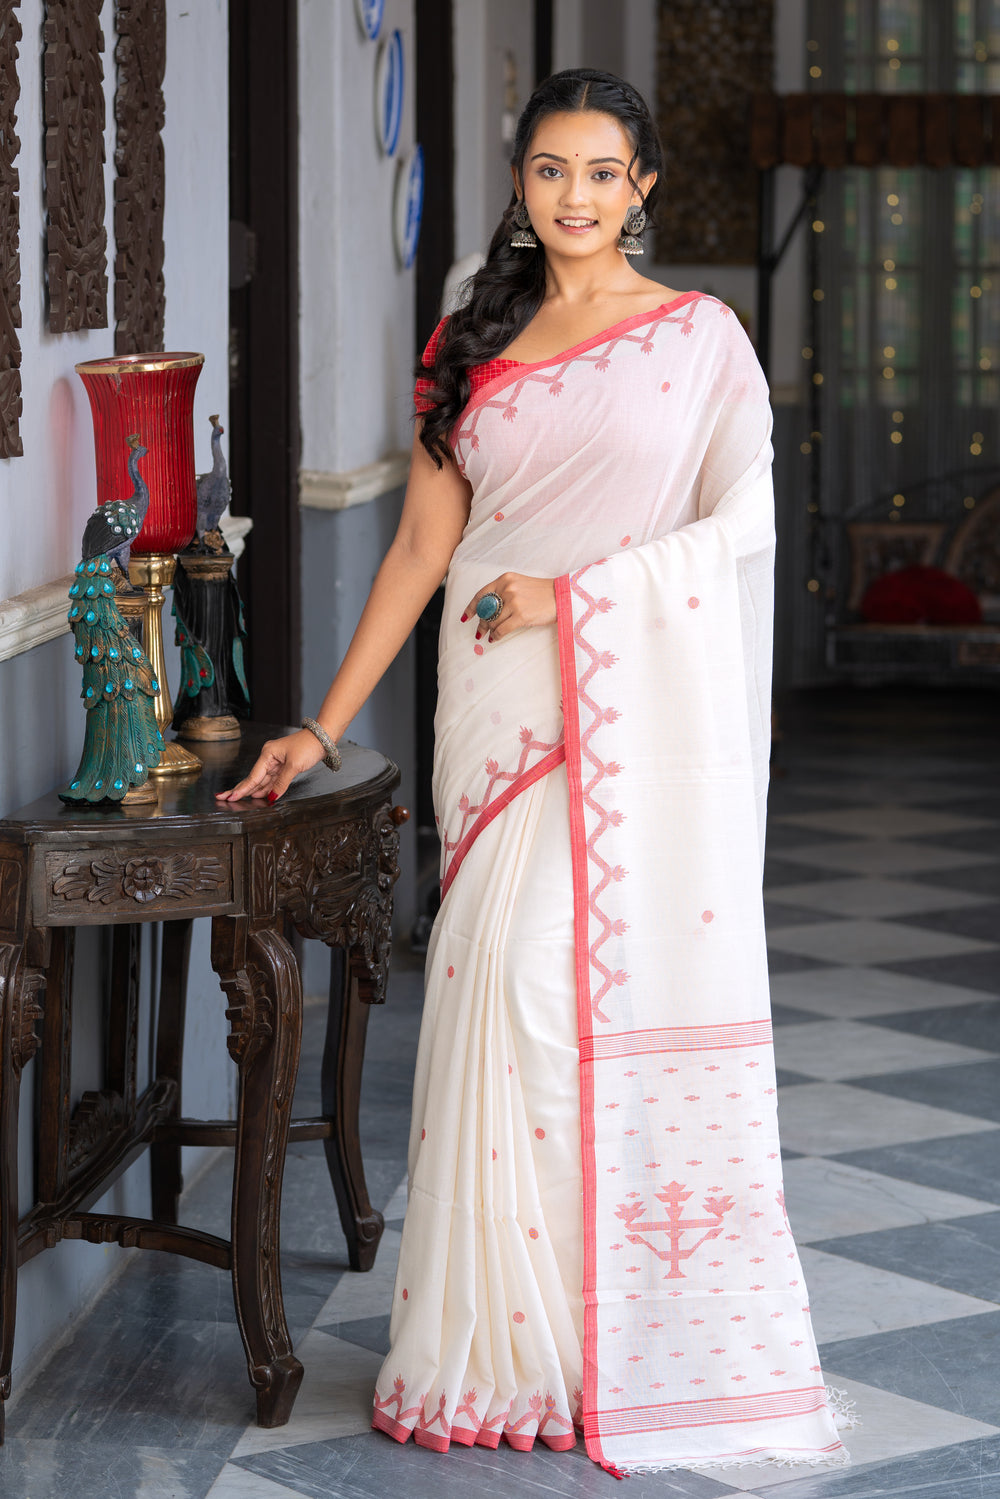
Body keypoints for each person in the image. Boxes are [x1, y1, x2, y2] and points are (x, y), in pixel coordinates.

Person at [218, 68, 852, 1480]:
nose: (575, 195)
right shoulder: (473, 339)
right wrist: (317, 726)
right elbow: (420, 550)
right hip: (497, 712)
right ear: (520, 182)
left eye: (602, 172)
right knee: (496, 993)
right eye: (551, 169)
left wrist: (577, 601)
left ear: (642, 187)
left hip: (623, 705)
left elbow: (741, 530)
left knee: (557, 995)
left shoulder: (700, 340)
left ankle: (609, 1339)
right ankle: (505, 1351)